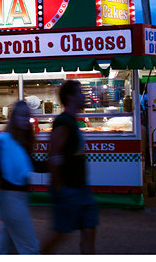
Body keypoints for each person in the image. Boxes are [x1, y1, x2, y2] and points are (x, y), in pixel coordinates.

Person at [41, 80, 99, 254]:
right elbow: (54, 156)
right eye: (80, 92)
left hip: (81, 188)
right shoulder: (63, 121)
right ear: (70, 97)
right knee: (59, 233)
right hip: (68, 189)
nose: (84, 96)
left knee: (89, 230)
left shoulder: (72, 121)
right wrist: (59, 187)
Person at [0, 100, 40, 254]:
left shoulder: (20, 141)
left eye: (27, 116)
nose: (24, 119)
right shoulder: (5, 141)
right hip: (11, 200)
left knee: (5, 250)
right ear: (13, 118)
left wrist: (56, 163)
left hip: (16, 200)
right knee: (30, 248)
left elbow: (33, 164)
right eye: (21, 116)